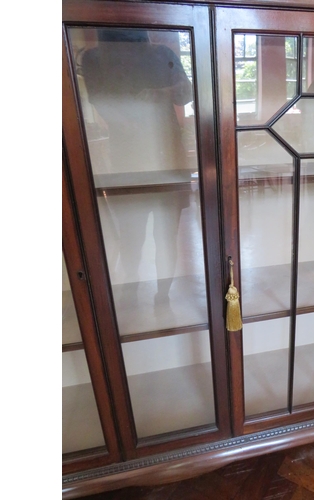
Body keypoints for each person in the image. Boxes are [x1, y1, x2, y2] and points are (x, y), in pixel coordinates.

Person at [81, 28, 194, 313]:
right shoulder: (95, 58)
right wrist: (131, 124)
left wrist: (160, 93)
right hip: (131, 160)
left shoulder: (160, 55)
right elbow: (102, 103)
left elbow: (185, 93)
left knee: (163, 236)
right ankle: (134, 292)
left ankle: (160, 296)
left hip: (163, 157)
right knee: (133, 234)